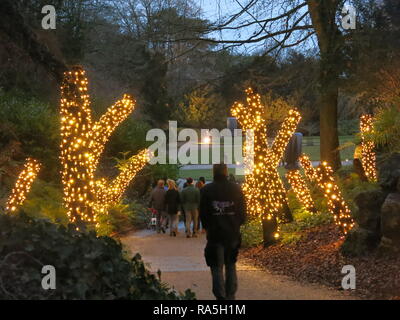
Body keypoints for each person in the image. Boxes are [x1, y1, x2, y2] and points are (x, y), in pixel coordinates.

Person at [200, 164, 246, 300]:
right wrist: (237, 223)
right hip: (232, 232)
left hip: (215, 233)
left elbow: (203, 212)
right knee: (230, 264)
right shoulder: (236, 189)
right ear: (226, 172)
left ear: (214, 172)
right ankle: (230, 294)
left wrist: (207, 226)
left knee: (216, 266)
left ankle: (220, 296)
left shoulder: (207, 190)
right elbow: (243, 212)